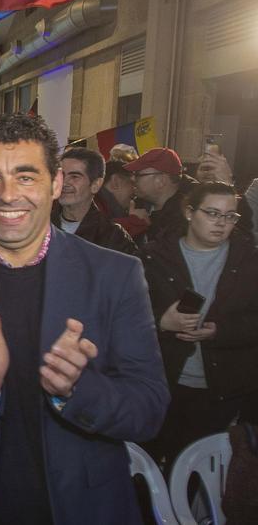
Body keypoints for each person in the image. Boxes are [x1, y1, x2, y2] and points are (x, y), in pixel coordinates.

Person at [0, 113, 169, 525]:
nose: (8, 195)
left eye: (26, 177)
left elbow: (149, 409)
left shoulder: (115, 275)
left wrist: (77, 389)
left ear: (56, 183)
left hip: (87, 508)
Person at [141, 181, 258, 468]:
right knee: (149, 466)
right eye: (213, 213)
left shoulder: (249, 260)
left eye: (230, 216)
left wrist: (220, 331)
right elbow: (124, 316)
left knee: (197, 471)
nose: (222, 223)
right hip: (163, 380)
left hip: (221, 389)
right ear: (190, 212)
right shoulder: (154, 257)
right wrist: (161, 322)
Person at [51, 147, 137, 255]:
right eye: (62, 175)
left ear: (95, 185)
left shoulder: (112, 237)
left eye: (74, 177)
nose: (64, 183)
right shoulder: (38, 227)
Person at [125, 148, 192, 245]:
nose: (132, 179)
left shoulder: (185, 218)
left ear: (161, 181)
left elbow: (163, 255)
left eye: (138, 174)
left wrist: (142, 227)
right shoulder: (137, 205)